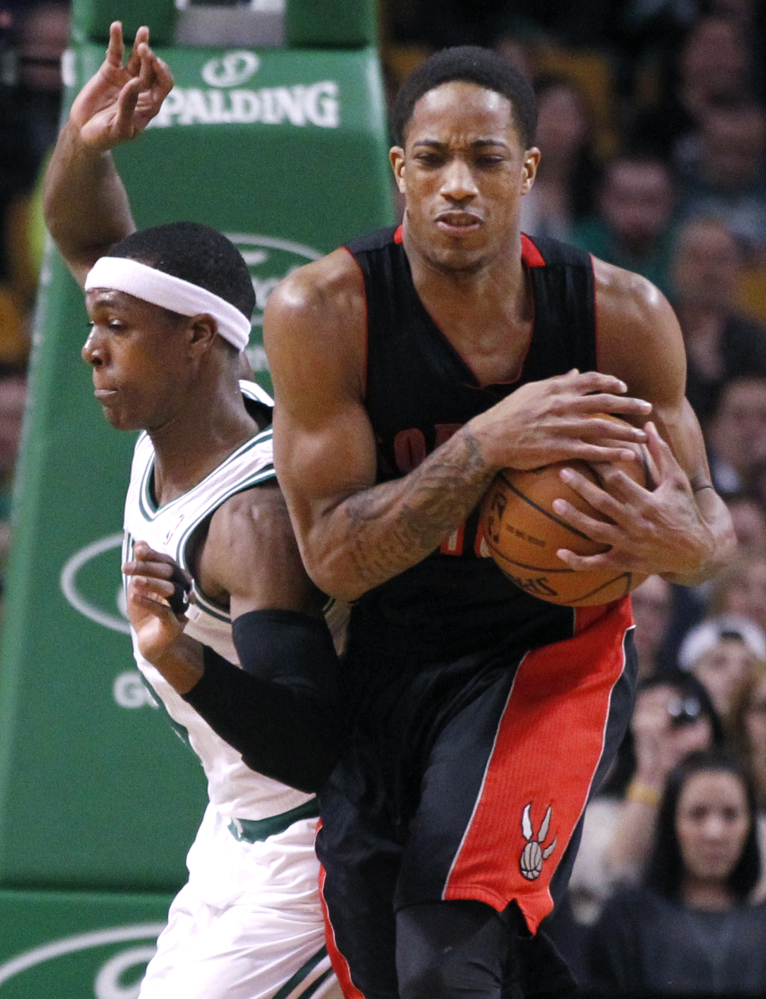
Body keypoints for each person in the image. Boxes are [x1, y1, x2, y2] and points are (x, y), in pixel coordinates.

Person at [263, 45, 735, 999]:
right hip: (389, 659)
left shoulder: (619, 313)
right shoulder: (325, 311)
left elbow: (708, 521)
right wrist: (485, 444)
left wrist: (679, 542)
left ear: (528, 169)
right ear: (399, 171)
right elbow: (335, 560)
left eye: (484, 158)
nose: (457, 185)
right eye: (431, 159)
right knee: (383, 967)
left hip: (551, 658)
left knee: (447, 953)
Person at [43, 24, 345, 999]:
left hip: (308, 848)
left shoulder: (252, 521)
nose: (92, 349)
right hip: (231, 827)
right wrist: (87, 146)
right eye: (95, 324)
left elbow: (311, 742)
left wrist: (182, 656)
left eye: (115, 330)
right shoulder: (175, 409)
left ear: (198, 343)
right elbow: (86, 239)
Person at [587, 750, 766, 994]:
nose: (714, 833)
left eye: (730, 815)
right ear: (672, 822)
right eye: (697, 814)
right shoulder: (628, 921)